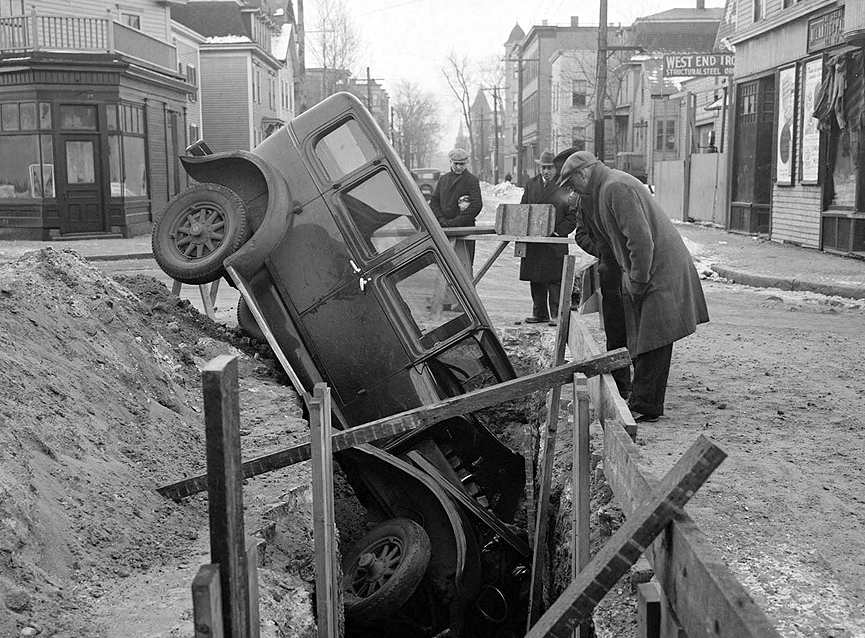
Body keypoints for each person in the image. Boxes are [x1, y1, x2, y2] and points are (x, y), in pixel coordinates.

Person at [557, 150, 709, 422]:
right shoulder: (603, 189)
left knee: (655, 336)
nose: (571, 189)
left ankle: (645, 405)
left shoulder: (616, 187)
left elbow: (640, 241)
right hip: (647, 268)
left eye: (571, 182)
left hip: (659, 269)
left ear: (583, 173)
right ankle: (641, 400)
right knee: (644, 334)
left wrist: (638, 278)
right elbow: (608, 239)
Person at [555, 146, 632, 397]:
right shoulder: (582, 202)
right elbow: (581, 235)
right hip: (610, 272)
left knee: (636, 328)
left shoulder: (613, 189)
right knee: (615, 330)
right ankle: (621, 383)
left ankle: (637, 380)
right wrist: (605, 251)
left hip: (630, 269)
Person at [518, 149, 576, 325]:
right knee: (535, 277)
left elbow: (572, 215)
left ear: (556, 168)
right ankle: (539, 313)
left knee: (555, 279)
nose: (546, 171)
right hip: (534, 241)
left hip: (554, 241)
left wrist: (558, 232)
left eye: (550, 168)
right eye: (543, 167)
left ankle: (557, 315)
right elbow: (523, 209)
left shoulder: (564, 186)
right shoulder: (531, 184)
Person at [430, 148, 482, 274]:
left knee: (464, 268)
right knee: (444, 267)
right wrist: (441, 220)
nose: (458, 167)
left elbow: (476, 206)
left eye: (462, 164)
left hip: (464, 231)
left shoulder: (472, 180)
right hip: (444, 230)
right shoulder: (443, 179)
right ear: (450, 162)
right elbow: (434, 202)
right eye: (455, 163)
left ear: (467, 163)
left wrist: (455, 222)